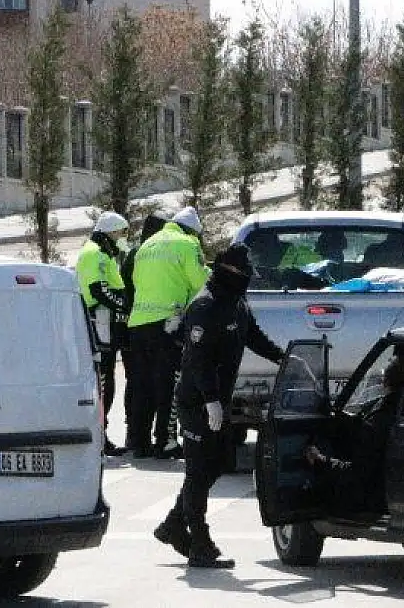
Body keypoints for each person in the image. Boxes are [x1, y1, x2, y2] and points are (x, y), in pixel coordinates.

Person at [153, 243, 285, 569]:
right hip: (197, 401)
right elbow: (197, 361)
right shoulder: (204, 306)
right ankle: (199, 543)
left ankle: (172, 524)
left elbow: (253, 336)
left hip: (220, 401)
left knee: (216, 465)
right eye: (241, 273)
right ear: (228, 272)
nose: (246, 279)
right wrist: (211, 401)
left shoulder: (237, 303)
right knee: (198, 473)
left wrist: (283, 357)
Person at [128, 207, 209, 459]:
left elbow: (136, 282)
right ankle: (166, 441)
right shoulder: (188, 243)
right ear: (193, 230)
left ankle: (139, 443)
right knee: (169, 386)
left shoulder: (147, 245)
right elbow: (201, 283)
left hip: (138, 323)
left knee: (142, 386)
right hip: (168, 325)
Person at [302, 355, 404, 515]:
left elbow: (358, 474)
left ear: (386, 382)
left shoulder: (379, 420)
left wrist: (320, 461)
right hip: (400, 491)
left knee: (310, 497)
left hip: (375, 499)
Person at [75, 211, 130, 457]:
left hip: (107, 323)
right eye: (118, 234)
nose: (120, 239)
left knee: (108, 379)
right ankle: (99, 436)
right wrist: (123, 304)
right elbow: (97, 289)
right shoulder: (93, 254)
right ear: (108, 234)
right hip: (100, 323)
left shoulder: (101, 253)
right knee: (103, 381)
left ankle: (102, 434)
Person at [120, 213, 167, 453]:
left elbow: (127, 288)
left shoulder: (134, 253)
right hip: (153, 325)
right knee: (155, 383)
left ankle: (135, 438)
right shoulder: (156, 252)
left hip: (132, 325)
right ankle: (152, 439)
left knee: (137, 384)